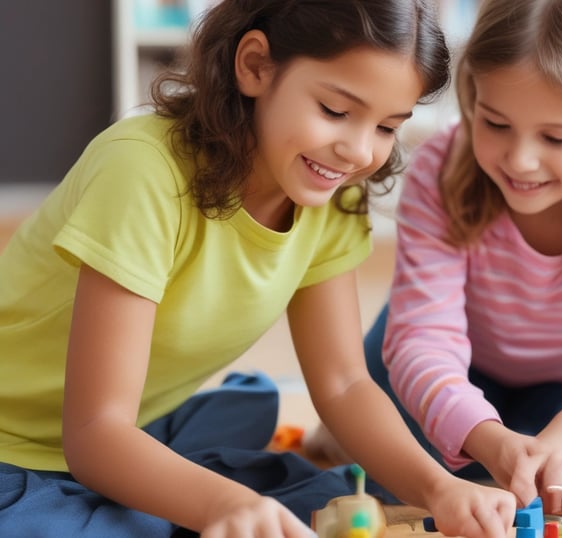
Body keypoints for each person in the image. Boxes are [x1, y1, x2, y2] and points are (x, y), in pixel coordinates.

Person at [0, 1, 519, 537]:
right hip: (26, 447)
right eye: (336, 111)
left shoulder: (330, 196)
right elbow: (94, 435)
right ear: (254, 66)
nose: (358, 151)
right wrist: (223, 505)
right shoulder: (141, 172)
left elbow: (342, 385)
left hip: (130, 432)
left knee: (326, 496)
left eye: (388, 126)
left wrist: (441, 487)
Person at [305, 0, 562, 518]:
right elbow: (422, 341)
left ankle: (533, 437)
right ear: (473, 96)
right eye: (495, 124)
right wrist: (485, 435)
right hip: (447, 361)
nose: (519, 160)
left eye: (556, 137)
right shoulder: (439, 168)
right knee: (400, 438)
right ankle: (504, 438)